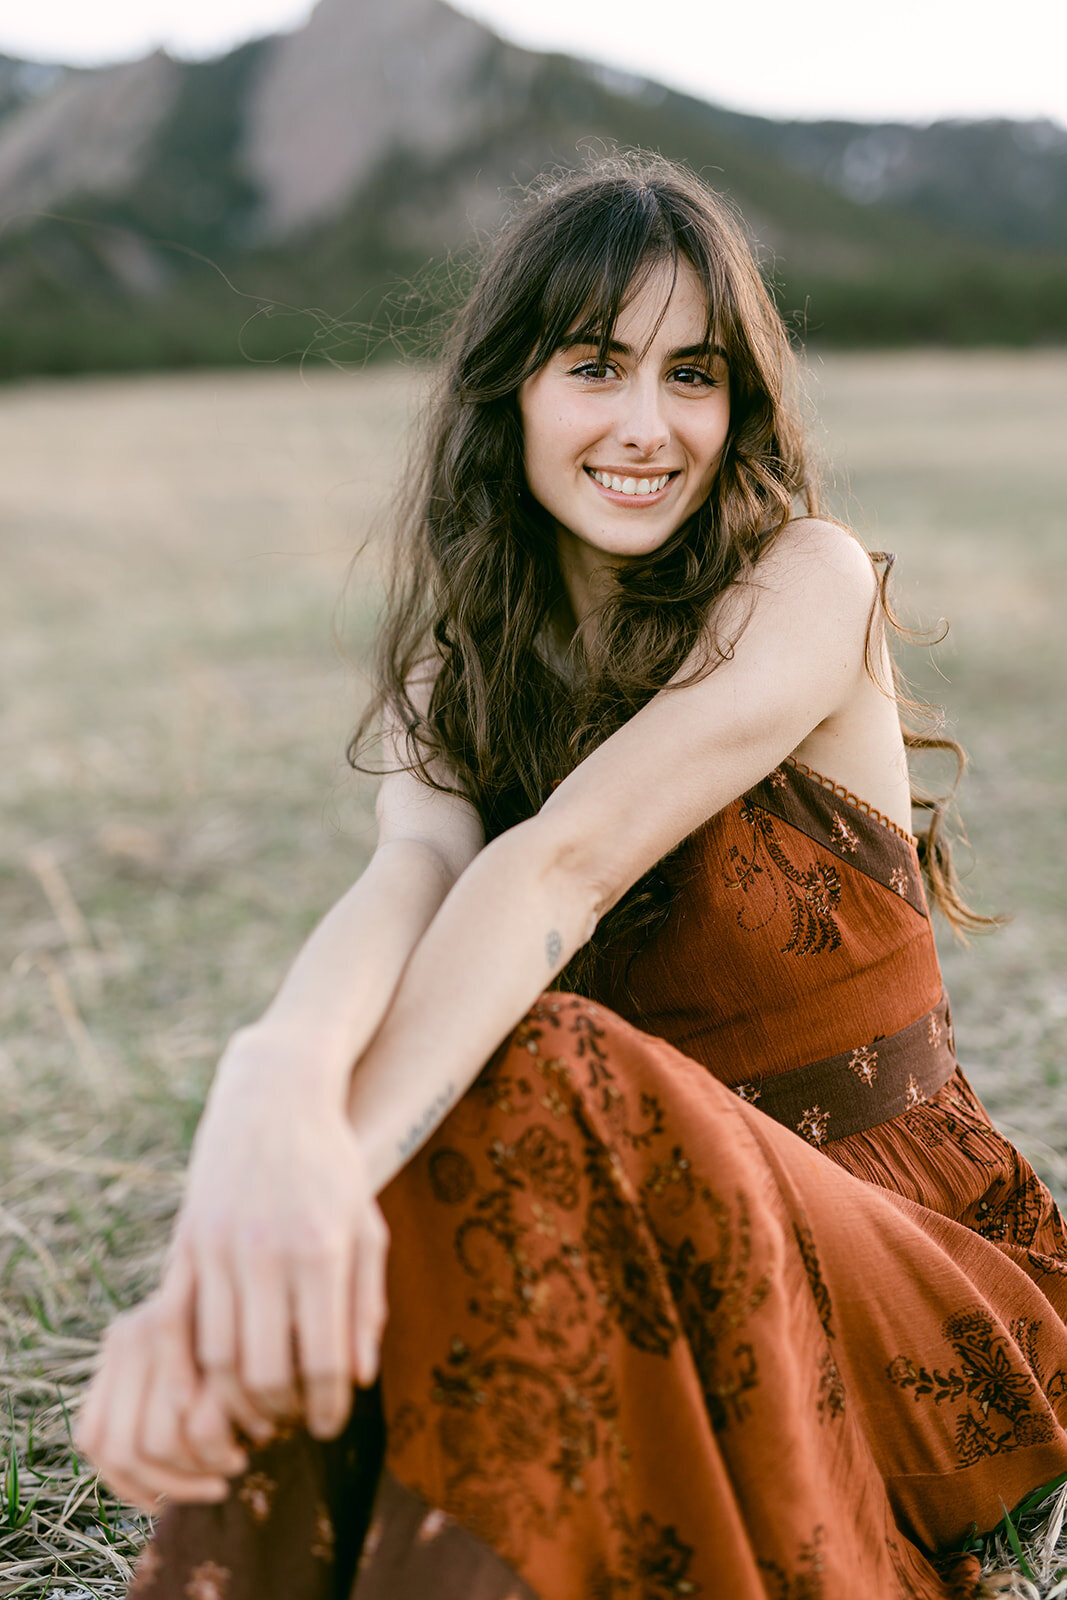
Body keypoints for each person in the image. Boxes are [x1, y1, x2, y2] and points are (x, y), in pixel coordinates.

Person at [77, 153, 1067, 1600]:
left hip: (908, 1271)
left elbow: (566, 861)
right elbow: (406, 893)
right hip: (633, 1243)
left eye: (696, 374)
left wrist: (319, 1189)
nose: (648, 424)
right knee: (439, 1103)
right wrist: (268, 1093)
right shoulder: (456, 678)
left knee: (513, 1065)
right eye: (596, 365)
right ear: (514, 394)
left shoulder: (808, 578)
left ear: (740, 405)